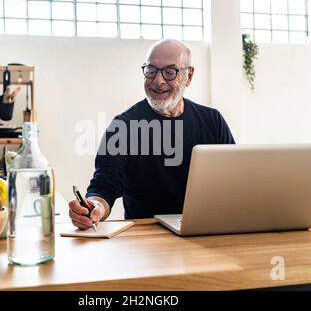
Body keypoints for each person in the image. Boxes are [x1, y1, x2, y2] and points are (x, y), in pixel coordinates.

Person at [69, 39, 235, 230]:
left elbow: (233, 180)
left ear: (189, 76)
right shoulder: (122, 126)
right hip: (146, 236)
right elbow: (104, 186)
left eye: (170, 72)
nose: (158, 80)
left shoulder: (212, 121)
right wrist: (94, 207)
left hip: (206, 230)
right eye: (151, 70)